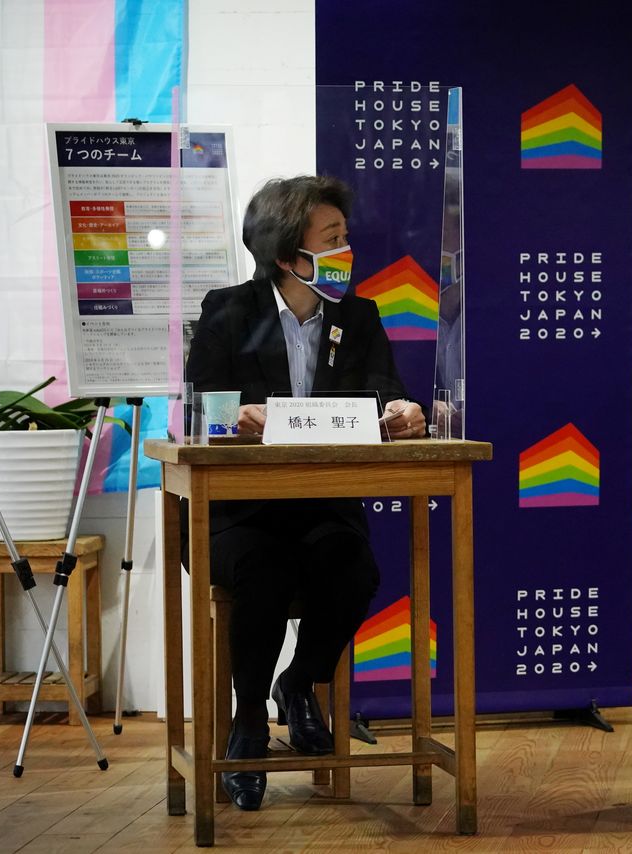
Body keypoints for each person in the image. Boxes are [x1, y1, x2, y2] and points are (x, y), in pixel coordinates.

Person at [186, 175, 426, 810]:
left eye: (346, 239)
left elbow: (387, 393)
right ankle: (245, 729)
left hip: (323, 505)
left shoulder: (359, 315)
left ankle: (300, 682)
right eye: (333, 240)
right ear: (288, 255)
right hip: (239, 512)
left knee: (353, 568)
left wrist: (405, 411)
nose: (347, 252)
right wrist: (231, 416)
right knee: (261, 574)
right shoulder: (228, 311)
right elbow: (197, 411)